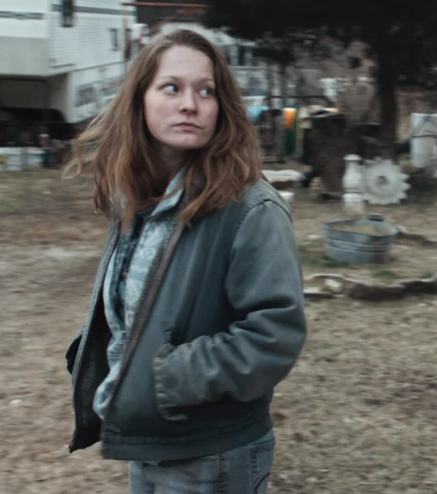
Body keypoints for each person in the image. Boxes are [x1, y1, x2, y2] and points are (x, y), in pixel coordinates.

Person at [64, 29, 306, 493]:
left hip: (213, 452)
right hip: (149, 438)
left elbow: (274, 337)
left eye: (206, 91)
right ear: (141, 100)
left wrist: (162, 379)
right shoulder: (138, 198)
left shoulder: (251, 209)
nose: (190, 104)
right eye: (171, 87)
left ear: (221, 107)